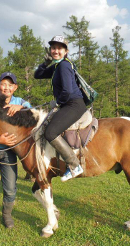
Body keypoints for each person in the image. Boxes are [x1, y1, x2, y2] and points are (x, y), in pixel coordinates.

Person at [0, 72, 31, 237]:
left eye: (10, 85)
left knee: (10, 187)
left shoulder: (20, 102)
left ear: (15, 88)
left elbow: (36, 112)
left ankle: (7, 215)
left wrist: (22, 108)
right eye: (4, 84)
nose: (6, 87)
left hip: (10, 152)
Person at [34, 35, 87, 182]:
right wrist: (45, 63)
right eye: (53, 48)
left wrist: (57, 103)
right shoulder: (57, 66)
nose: (55, 51)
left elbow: (68, 91)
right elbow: (37, 75)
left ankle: (74, 165)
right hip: (68, 104)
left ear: (66, 51)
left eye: (59, 48)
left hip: (73, 104)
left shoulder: (63, 65)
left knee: (50, 133)